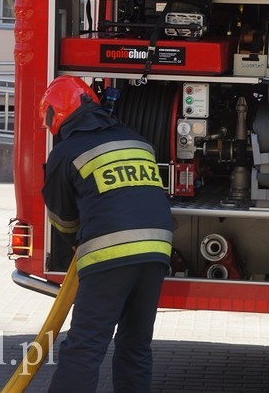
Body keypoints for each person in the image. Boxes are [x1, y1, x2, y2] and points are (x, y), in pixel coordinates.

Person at [39, 75, 173, 393]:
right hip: (157, 251)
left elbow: (62, 216)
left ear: (55, 114)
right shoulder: (136, 139)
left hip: (109, 254)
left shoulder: (66, 151)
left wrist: (76, 243)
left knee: (84, 348)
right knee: (135, 345)